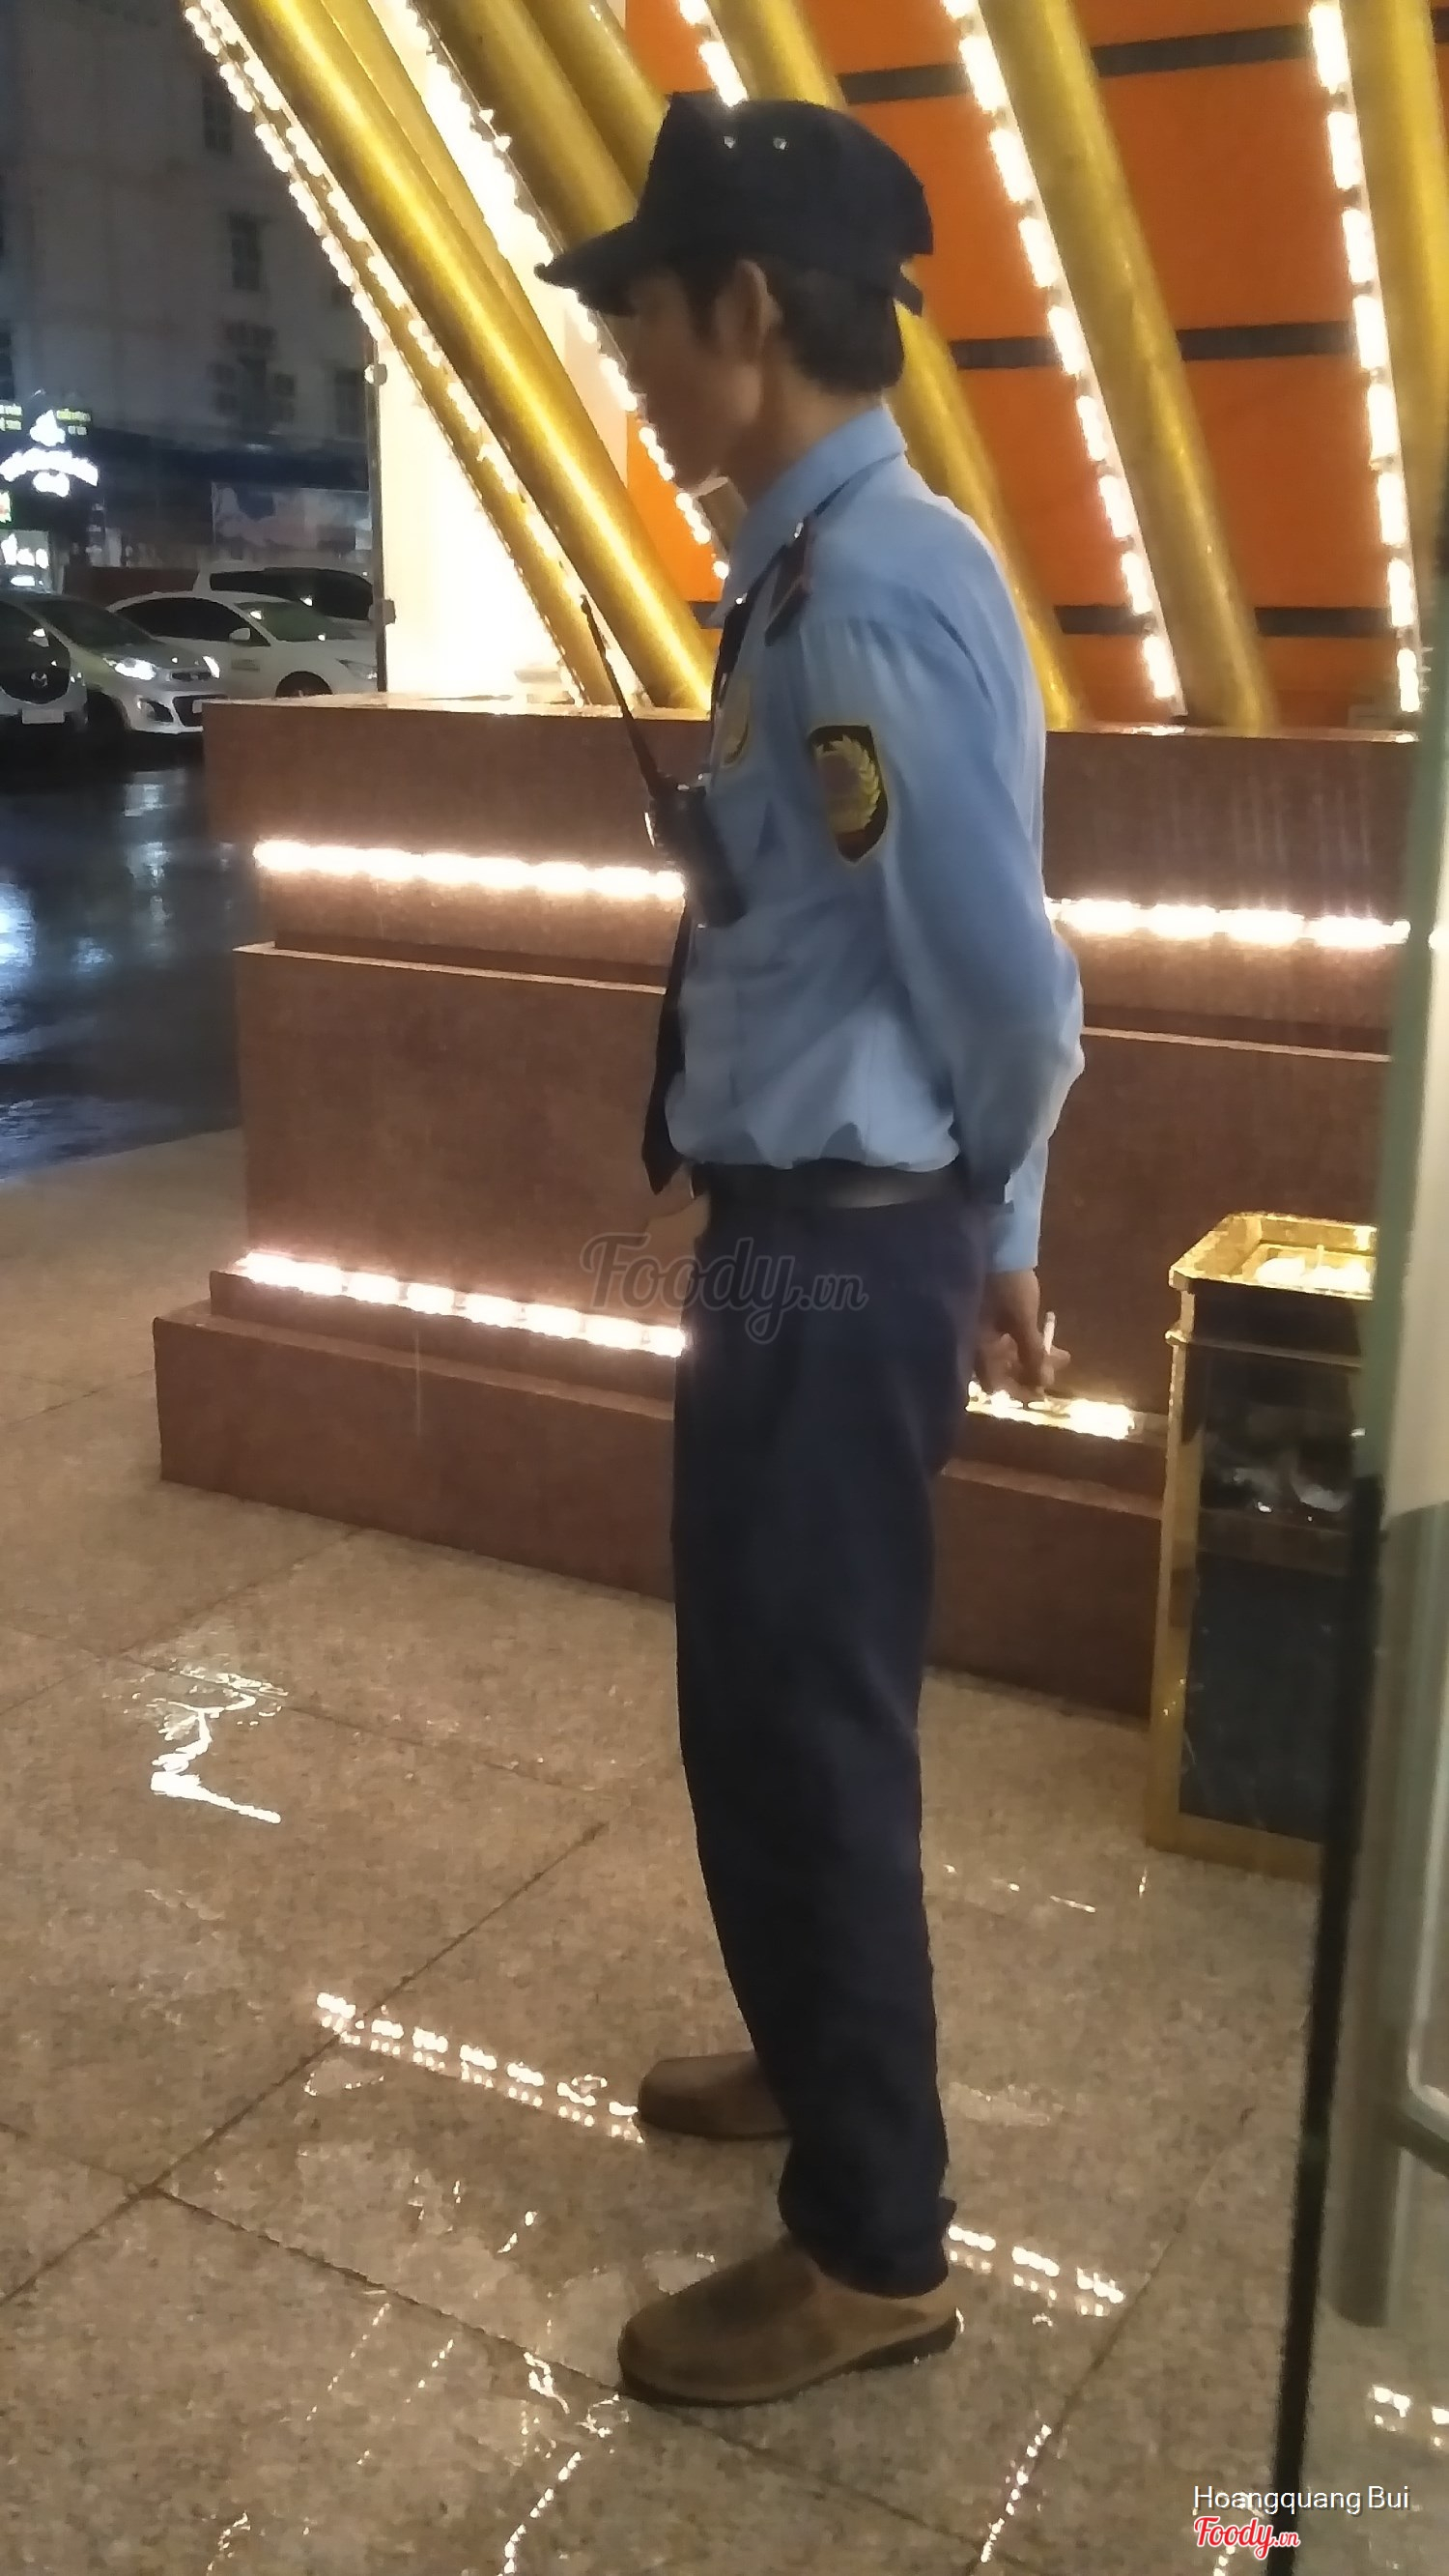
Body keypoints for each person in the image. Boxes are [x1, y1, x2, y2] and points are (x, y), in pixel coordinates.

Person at [540, 91, 1084, 2409]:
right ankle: (809, 2043)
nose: (632, 364)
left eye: (645, 318)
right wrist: (999, 1219)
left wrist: (996, 1214)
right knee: (753, 1698)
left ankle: (877, 2245)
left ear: (746, 310)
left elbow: (1016, 987)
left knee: (808, 1721)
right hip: (801, 1232)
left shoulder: (859, 592)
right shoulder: (812, 569)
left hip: (843, 1255)